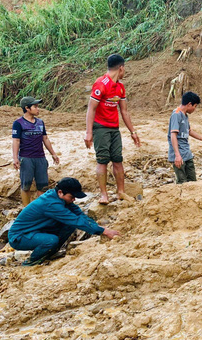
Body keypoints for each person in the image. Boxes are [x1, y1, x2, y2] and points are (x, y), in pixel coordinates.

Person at [8, 177, 120, 266]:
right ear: (61, 192)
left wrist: (98, 228)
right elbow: (76, 221)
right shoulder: (52, 204)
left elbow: (79, 215)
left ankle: (50, 253)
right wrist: (103, 231)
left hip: (36, 230)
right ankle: (31, 262)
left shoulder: (60, 198)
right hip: (19, 237)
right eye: (72, 196)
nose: (74, 200)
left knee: (68, 226)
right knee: (51, 240)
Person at [84, 54, 141, 204]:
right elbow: (91, 109)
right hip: (101, 128)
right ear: (121, 68)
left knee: (117, 160)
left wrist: (133, 132)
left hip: (114, 129)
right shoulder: (101, 84)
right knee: (102, 160)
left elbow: (124, 111)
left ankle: (120, 191)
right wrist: (89, 132)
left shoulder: (120, 87)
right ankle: (104, 195)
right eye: (125, 69)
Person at [12, 97, 59, 206]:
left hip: (40, 158)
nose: (38, 109)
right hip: (26, 158)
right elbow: (16, 140)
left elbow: (45, 138)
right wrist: (15, 158)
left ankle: (41, 210)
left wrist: (53, 154)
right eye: (35, 107)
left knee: (42, 186)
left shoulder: (40, 122)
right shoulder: (18, 123)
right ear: (27, 108)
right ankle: (26, 210)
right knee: (26, 185)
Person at [167, 91, 202, 183]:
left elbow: (189, 131)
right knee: (182, 183)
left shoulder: (185, 116)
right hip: (179, 155)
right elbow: (173, 135)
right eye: (195, 106)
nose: (194, 109)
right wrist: (177, 155)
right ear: (189, 104)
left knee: (192, 181)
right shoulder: (176, 114)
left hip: (187, 154)